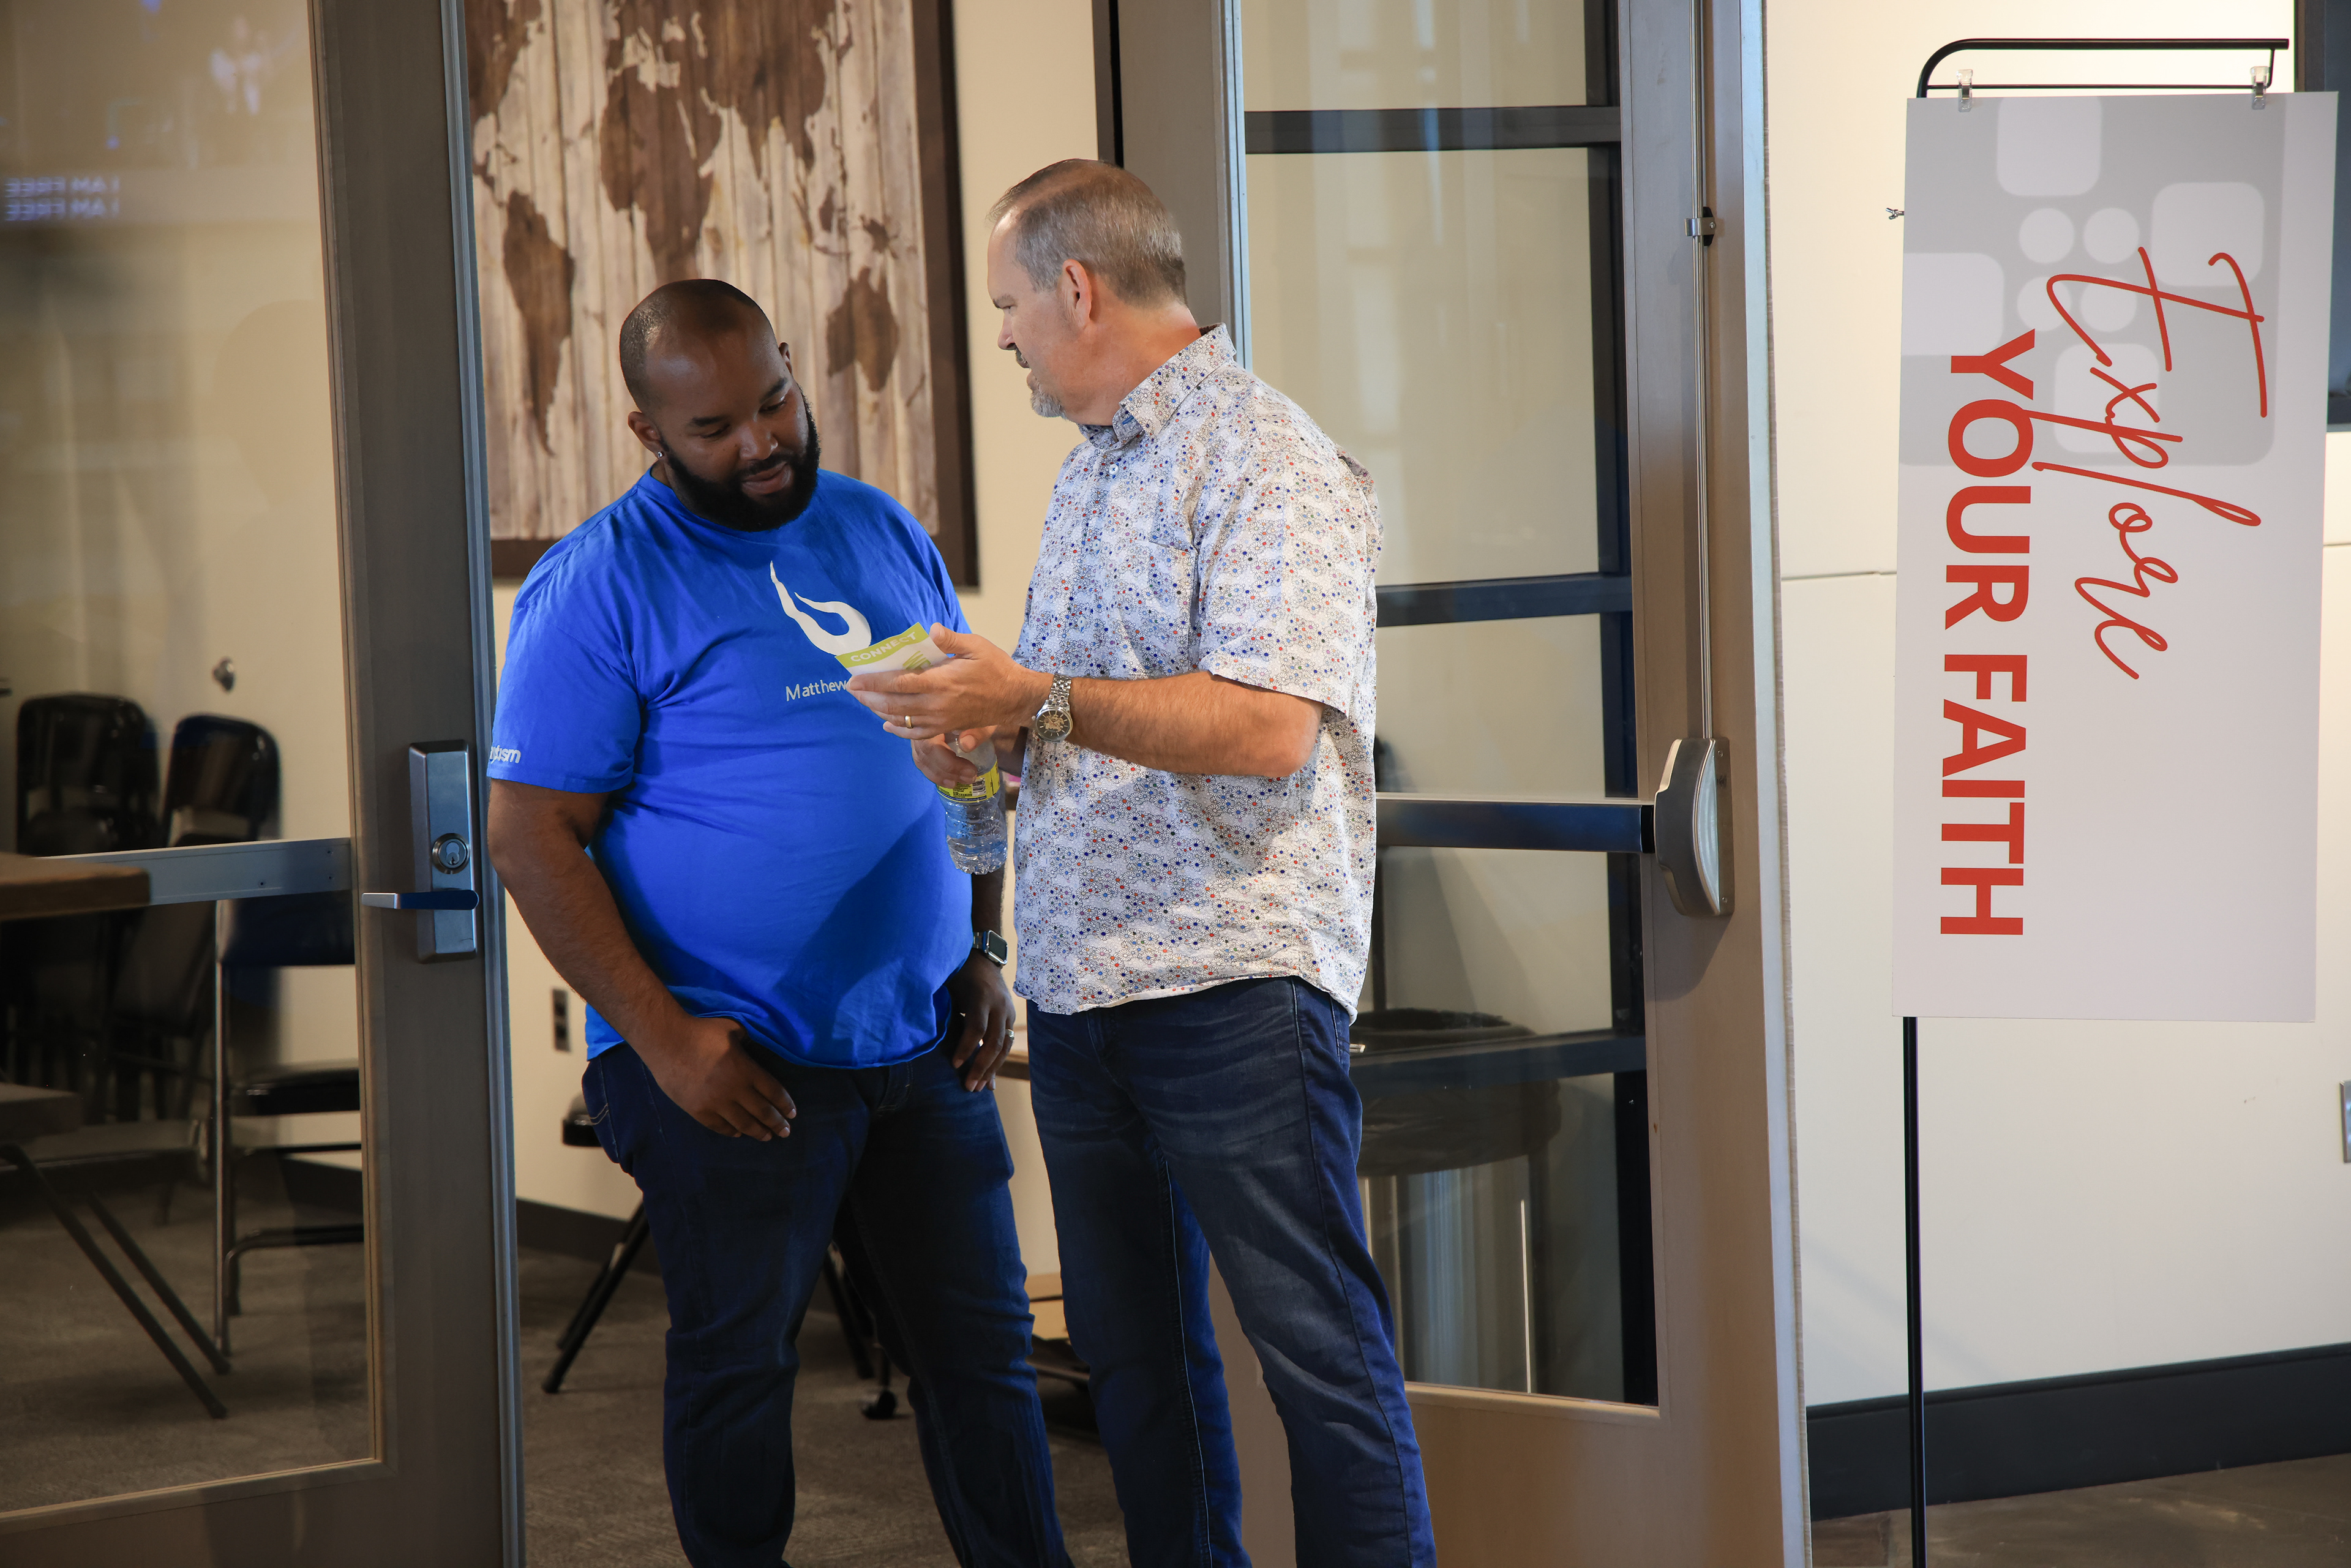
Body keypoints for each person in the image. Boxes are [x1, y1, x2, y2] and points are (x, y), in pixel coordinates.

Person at [846, 162, 1434, 1567]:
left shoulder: (1267, 459)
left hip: (1230, 987)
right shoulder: (1093, 470)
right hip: (1084, 991)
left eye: (1007, 305)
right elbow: (1085, 722)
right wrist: (986, 745)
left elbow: (1270, 730)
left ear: (1077, 287)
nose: (1002, 336)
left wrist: (1036, 697)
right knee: (1136, 1364)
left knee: (1318, 1356)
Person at [486, 279, 1070, 1568]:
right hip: (727, 1057)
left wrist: (984, 945)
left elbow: (966, 752)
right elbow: (529, 839)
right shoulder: (600, 585)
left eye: (775, 401)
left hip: (919, 1041)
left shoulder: (878, 530)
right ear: (648, 433)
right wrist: (668, 1044)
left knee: (984, 1358)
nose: (761, 442)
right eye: (715, 429)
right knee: (742, 1366)